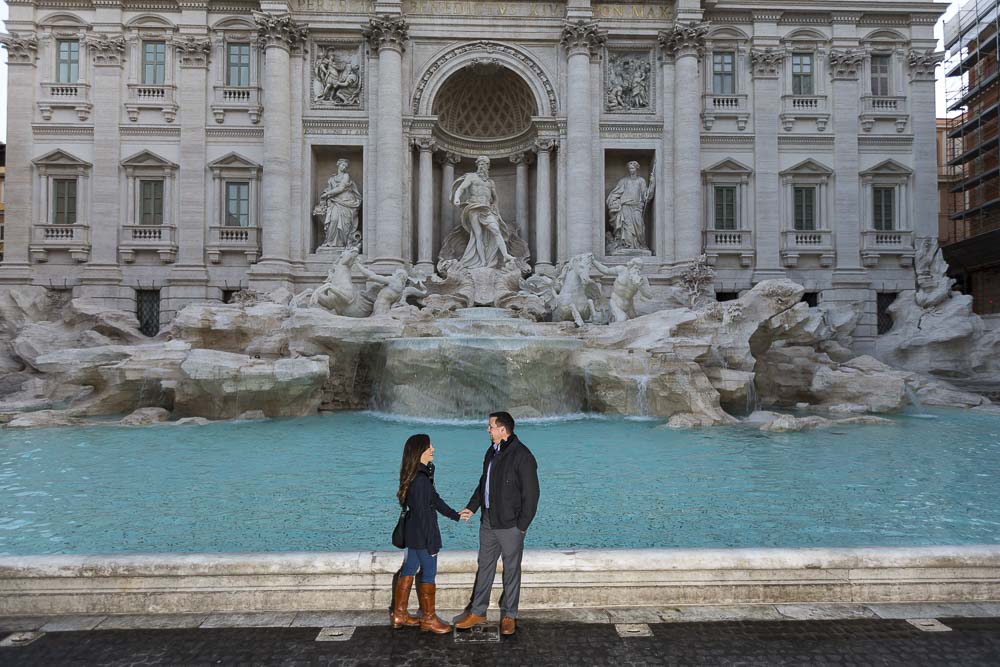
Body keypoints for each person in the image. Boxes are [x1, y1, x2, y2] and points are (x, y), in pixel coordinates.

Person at [454, 411, 539, 637]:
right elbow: (484, 484)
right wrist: (472, 507)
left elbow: (531, 495)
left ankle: (509, 615)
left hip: (511, 525)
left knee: (511, 570)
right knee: (485, 567)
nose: (487, 430)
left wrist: (522, 526)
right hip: (488, 520)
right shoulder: (491, 452)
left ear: (503, 430)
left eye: (490, 426)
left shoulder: (523, 455)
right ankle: (478, 612)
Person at [391, 434, 462, 634]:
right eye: (429, 446)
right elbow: (425, 515)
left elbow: (434, 499)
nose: (433, 449)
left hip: (412, 534)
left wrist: (454, 515)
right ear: (420, 451)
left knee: (410, 568)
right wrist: (432, 544)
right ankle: (428, 619)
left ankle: (399, 614)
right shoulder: (420, 480)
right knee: (429, 573)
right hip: (423, 536)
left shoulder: (414, 474)